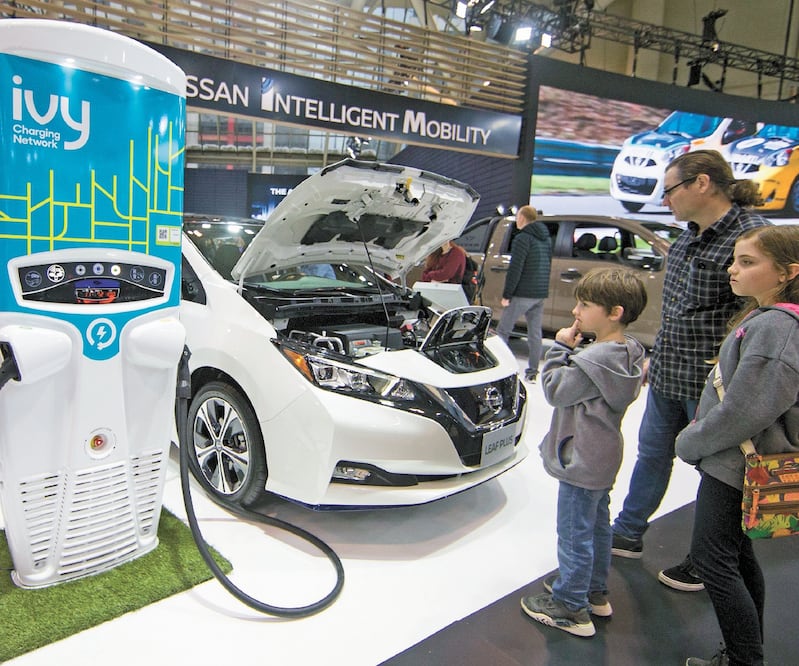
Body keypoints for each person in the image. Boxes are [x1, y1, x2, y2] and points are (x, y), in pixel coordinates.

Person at [610, 150, 770, 594]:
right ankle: (627, 531)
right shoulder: (687, 238)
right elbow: (679, 310)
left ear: (702, 184)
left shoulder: (750, 238)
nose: (666, 201)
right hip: (669, 372)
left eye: (670, 190)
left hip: (715, 382)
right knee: (652, 455)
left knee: (718, 475)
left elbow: (757, 315)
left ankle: (708, 559)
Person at [676, 225, 799, 666]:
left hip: (738, 463)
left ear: (787, 273)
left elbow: (747, 411)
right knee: (737, 556)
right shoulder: (769, 321)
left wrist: (690, 442)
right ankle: (745, 654)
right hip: (740, 461)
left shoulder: (776, 328)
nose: (734, 270)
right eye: (735, 260)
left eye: (748, 262)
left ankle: (746, 659)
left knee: (713, 562)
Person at [521, 267, 647, 638]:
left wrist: (560, 348)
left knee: (574, 532)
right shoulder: (628, 352)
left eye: (585, 304)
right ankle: (594, 591)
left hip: (582, 457)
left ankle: (570, 606)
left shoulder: (593, 361)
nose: (576, 311)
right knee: (596, 526)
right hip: (604, 456)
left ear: (615, 312)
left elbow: (555, 389)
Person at [496, 205, 552, 383]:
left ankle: (501, 371)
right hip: (539, 293)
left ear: (522, 218)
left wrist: (507, 294)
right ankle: (532, 373)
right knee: (535, 334)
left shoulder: (523, 238)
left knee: (503, 331)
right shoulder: (545, 239)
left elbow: (516, 269)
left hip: (522, 293)